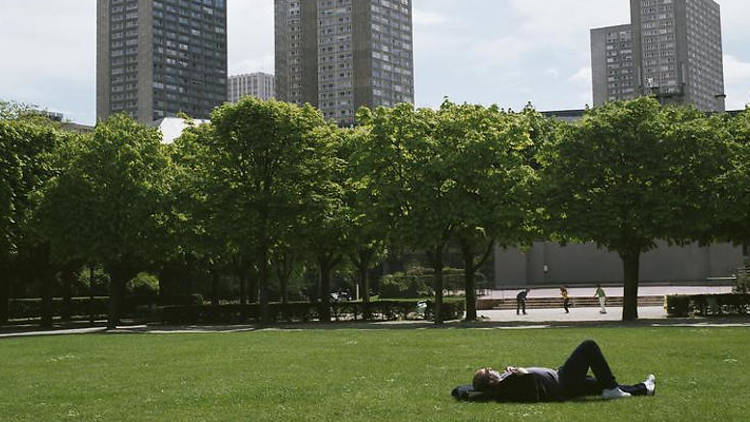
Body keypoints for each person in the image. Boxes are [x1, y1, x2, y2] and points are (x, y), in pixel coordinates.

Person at [469, 340, 655, 402]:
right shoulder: (505, 386)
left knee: (602, 386)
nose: (490, 368)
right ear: (490, 382)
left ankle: (644, 388)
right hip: (563, 381)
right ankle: (613, 390)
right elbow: (529, 381)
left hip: (562, 380)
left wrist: (511, 370)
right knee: (588, 346)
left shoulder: (504, 380)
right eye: (487, 371)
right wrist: (520, 371)